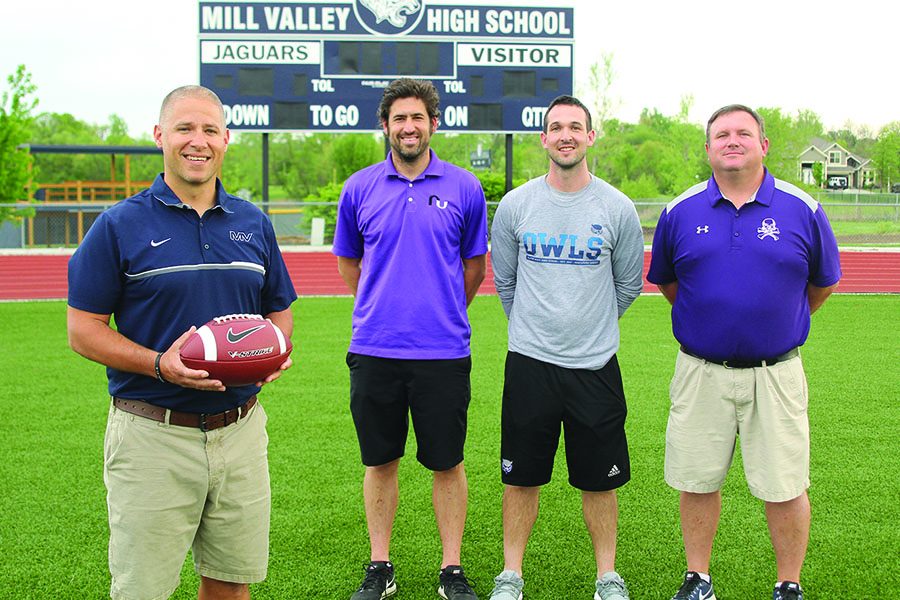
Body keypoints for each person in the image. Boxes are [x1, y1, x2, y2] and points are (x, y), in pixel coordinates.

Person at [66, 85, 297, 600]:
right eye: (185, 129)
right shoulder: (119, 225)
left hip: (239, 433)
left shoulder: (253, 222)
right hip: (153, 435)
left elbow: (278, 306)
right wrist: (158, 364)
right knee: (143, 591)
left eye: (210, 130)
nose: (199, 141)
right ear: (159, 136)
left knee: (232, 585)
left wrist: (276, 348)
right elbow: (82, 329)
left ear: (226, 139)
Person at [646, 105, 841, 600]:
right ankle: (698, 578)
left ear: (764, 145)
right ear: (708, 148)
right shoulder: (679, 211)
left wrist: (774, 327)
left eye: (743, 133)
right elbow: (670, 283)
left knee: (786, 484)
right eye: (721, 135)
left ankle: (788, 583)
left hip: (775, 373)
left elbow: (821, 285)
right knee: (697, 479)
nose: (732, 141)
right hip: (701, 371)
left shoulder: (803, 209)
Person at [332, 78, 488, 600]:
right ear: (385, 126)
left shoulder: (465, 187)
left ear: (433, 124)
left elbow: (473, 267)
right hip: (375, 349)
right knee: (380, 461)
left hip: (443, 351)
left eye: (417, 117)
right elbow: (349, 263)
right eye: (399, 118)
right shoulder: (359, 188)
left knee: (447, 462)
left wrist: (438, 309)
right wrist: (382, 306)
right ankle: (380, 566)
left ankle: (451, 570)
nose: (408, 127)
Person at [488, 95, 644, 600]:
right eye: (556, 127)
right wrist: (541, 329)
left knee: (600, 481)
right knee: (522, 477)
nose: (566, 135)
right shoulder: (516, 205)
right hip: (530, 364)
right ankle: (511, 575)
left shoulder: (616, 208)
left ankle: (607, 577)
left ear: (590, 136)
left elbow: (628, 285)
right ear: (544, 139)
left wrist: (588, 326)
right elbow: (506, 283)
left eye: (575, 127)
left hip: (594, 366)